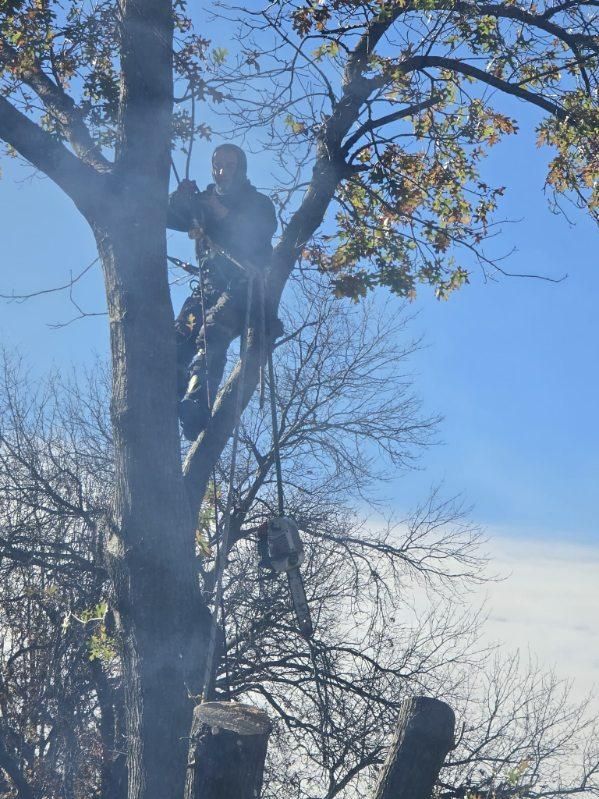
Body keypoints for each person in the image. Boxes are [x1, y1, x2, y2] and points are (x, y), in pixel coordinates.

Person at [168, 144, 277, 440]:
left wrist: (222, 214)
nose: (221, 171)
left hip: (243, 287)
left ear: (239, 168)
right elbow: (167, 218)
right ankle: (167, 394)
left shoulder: (257, 203)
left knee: (212, 332)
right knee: (180, 335)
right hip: (208, 286)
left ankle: (196, 405)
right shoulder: (203, 202)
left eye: (228, 165)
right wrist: (180, 198)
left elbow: (259, 234)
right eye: (217, 165)